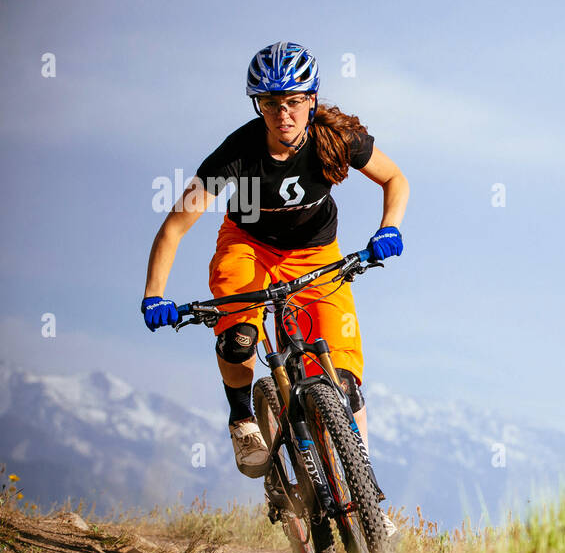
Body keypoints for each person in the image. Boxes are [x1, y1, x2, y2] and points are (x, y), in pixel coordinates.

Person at [141, 41, 409, 486]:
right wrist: (154, 295)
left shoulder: (336, 138)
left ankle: (365, 489)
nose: (283, 114)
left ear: (312, 100)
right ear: (258, 105)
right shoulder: (237, 154)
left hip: (317, 254)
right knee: (240, 335)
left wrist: (390, 227)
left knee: (344, 381)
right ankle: (243, 421)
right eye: (270, 103)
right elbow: (173, 227)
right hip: (248, 246)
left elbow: (395, 178)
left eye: (294, 101)